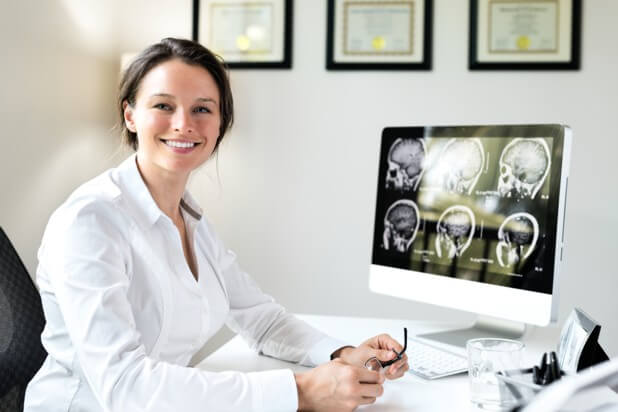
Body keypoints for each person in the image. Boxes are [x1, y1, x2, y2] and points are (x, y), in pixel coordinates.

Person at [24, 37, 409, 412]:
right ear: (130, 115)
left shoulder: (190, 219)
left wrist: (342, 354)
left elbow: (263, 321)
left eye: (202, 109)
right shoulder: (90, 221)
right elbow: (125, 386)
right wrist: (301, 392)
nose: (183, 124)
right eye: (163, 105)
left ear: (220, 122)